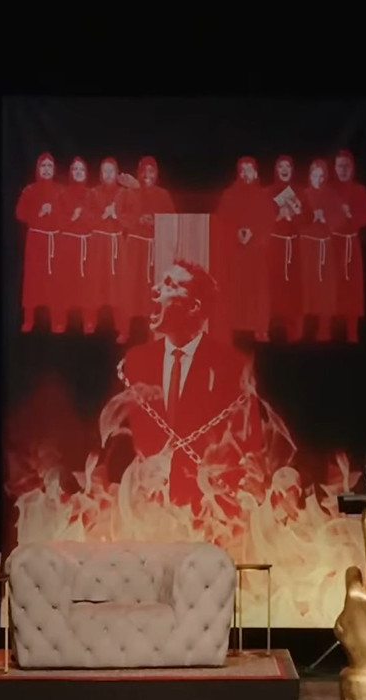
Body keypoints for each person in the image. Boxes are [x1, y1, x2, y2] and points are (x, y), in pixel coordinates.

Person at [119, 260, 264, 517]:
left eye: (169, 285)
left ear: (193, 307)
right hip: (145, 512)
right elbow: (119, 439)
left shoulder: (232, 366)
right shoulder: (135, 362)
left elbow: (248, 445)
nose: (155, 289)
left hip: (209, 514)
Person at [115, 156, 176, 342]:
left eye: (151, 171)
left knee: (154, 290)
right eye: (143, 171)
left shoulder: (163, 195)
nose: (147, 175)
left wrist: (156, 221)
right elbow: (121, 215)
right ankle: (124, 329)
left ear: (156, 174)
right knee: (129, 288)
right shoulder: (130, 192)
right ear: (138, 173)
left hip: (155, 248)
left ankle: (154, 330)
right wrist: (137, 220)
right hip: (134, 246)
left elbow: (171, 219)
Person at [216, 156, 273, 342]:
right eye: (243, 169)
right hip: (236, 252)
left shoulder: (263, 195)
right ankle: (234, 327)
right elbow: (222, 220)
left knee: (258, 290)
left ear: (256, 173)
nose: (246, 173)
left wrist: (254, 233)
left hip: (257, 251)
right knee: (235, 289)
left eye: (249, 169)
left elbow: (268, 220)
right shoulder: (229, 195)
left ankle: (260, 329)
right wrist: (235, 232)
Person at [299, 159, 346, 342]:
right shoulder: (303, 194)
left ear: (325, 177)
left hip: (323, 248)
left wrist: (325, 218)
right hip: (306, 247)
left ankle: (324, 332)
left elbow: (340, 218)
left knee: (324, 289)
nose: (317, 179)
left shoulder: (331, 196)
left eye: (321, 175)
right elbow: (292, 218)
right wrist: (310, 217)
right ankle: (299, 331)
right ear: (309, 175)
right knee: (304, 287)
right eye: (314, 175)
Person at [332, 150, 366, 343]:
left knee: (352, 288)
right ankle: (326, 332)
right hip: (332, 245)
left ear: (353, 168)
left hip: (351, 243)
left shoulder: (359, 190)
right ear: (335, 168)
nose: (343, 170)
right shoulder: (328, 189)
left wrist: (351, 215)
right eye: (340, 166)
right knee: (331, 287)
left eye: (347, 166)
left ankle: (352, 332)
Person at [15, 152, 63, 332]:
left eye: (50, 165)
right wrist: (38, 212)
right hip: (36, 241)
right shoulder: (30, 190)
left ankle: (57, 320)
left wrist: (55, 211)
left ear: (54, 169)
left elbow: (67, 216)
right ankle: (29, 319)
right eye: (43, 165)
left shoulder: (61, 190)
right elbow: (20, 213)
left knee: (56, 280)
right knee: (33, 280)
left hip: (55, 241)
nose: (46, 169)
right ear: (38, 169)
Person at [264, 155, 305, 342]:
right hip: (275, 246)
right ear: (276, 170)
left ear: (292, 169)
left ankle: (294, 333)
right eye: (281, 166)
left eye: (288, 166)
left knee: (293, 289)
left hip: (294, 247)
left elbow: (307, 222)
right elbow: (261, 221)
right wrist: (278, 216)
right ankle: (267, 329)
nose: (284, 169)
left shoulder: (300, 192)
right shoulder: (267, 192)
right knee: (273, 286)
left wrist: (297, 213)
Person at [53, 157, 94, 333]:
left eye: (81, 169)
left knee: (87, 284)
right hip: (68, 244)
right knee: (64, 283)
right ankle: (60, 321)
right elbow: (58, 220)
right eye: (75, 169)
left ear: (86, 173)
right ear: (70, 173)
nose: (78, 172)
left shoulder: (92, 194)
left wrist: (83, 216)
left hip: (87, 244)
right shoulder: (63, 194)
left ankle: (88, 320)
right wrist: (73, 217)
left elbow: (96, 220)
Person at [87, 157, 126, 333]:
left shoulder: (124, 193)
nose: (108, 174)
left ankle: (121, 326)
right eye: (105, 171)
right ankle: (91, 321)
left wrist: (116, 215)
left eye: (111, 170)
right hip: (98, 244)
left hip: (117, 245)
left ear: (116, 173)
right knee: (95, 283)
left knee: (118, 286)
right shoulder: (93, 193)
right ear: (100, 174)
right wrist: (103, 215)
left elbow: (132, 216)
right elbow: (86, 216)